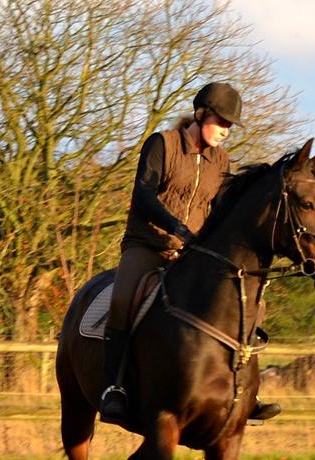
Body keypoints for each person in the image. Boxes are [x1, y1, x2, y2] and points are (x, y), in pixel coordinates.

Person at [99, 82, 281, 426]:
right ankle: (113, 388)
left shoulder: (221, 160)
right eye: (222, 122)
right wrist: (177, 229)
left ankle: (247, 394)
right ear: (201, 114)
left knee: (250, 305)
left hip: (193, 255)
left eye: (230, 126)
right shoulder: (163, 144)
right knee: (123, 298)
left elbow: (223, 212)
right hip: (147, 246)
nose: (225, 132)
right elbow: (143, 196)